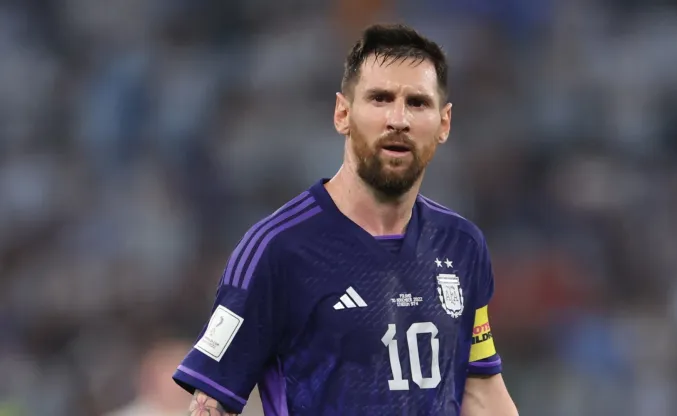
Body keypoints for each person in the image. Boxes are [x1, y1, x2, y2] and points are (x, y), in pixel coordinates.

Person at [173, 23, 519, 416]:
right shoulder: (278, 248)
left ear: (444, 123)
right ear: (342, 113)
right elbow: (210, 405)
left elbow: (481, 392)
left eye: (417, 103)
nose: (398, 119)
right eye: (380, 98)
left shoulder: (461, 245)